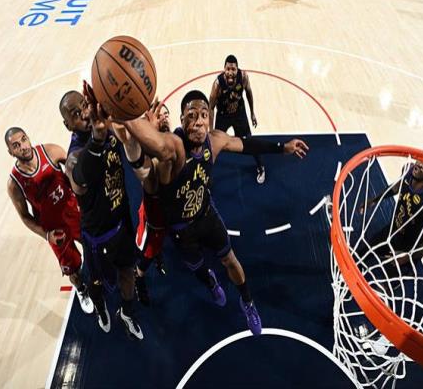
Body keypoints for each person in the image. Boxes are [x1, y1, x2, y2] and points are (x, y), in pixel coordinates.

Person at [122, 89, 309, 336]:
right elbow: (154, 146)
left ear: (209, 117)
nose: (199, 121)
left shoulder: (215, 140)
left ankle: (248, 302)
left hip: (207, 215)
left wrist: (282, 147)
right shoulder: (175, 147)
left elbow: (245, 144)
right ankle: (210, 282)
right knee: (199, 268)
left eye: (203, 115)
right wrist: (126, 116)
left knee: (231, 259)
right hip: (181, 230)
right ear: (182, 120)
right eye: (192, 116)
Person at [59, 87, 143, 340]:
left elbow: (131, 140)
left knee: (128, 271)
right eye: (75, 114)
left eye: (84, 105)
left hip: (121, 220)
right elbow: (79, 179)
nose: (84, 114)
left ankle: (127, 312)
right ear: (67, 125)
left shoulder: (108, 129)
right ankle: (100, 307)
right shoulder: (74, 156)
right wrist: (96, 139)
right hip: (98, 235)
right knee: (97, 284)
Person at [5, 127, 93, 315]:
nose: (23, 146)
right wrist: (46, 235)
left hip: (74, 213)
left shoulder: (51, 151)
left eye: (24, 139)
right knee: (72, 268)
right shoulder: (14, 184)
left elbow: (75, 173)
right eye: (16, 145)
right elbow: (25, 217)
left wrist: (84, 200)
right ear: (10, 152)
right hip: (54, 229)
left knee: (93, 246)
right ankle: (81, 289)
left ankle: (101, 275)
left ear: (28, 137)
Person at [360, 147, 423, 275]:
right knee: (361, 253)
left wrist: (408, 256)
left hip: (409, 247)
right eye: (421, 159)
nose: (421, 165)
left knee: (388, 282)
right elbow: (397, 186)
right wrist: (375, 200)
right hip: (392, 230)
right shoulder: (408, 170)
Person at [133, 104, 171, 306]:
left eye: (166, 114)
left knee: (160, 244)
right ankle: (138, 278)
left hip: (167, 215)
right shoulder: (150, 154)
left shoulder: (174, 142)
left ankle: (157, 255)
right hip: (153, 219)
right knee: (146, 256)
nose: (163, 117)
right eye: (160, 115)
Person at [209, 55, 265, 183]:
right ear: (224, 69)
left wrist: (252, 113)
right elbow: (210, 107)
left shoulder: (243, 77)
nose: (230, 72)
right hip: (223, 116)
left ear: (237, 69)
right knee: (213, 145)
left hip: (239, 114)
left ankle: (261, 166)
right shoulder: (218, 84)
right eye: (228, 69)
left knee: (249, 141)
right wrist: (210, 130)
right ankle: (207, 175)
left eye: (233, 69)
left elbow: (249, 93)